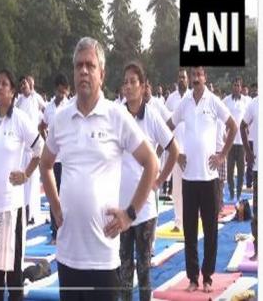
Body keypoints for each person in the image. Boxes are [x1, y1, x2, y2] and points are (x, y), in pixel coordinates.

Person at [39, 37, 158, 301]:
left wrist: (129, 215)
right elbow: (45, 164)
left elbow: (152, 163)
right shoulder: (61, 119)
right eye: (79, 65)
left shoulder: (116, 116)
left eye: (90, 66)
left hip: (102, 256)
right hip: (68, 254)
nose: (83, 71)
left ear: (101, 74)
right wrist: (55, 206)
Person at [0, 69, 43, 301]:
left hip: (11, 206)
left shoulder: (20, 119)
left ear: (13, 91)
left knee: (13, 271)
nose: (0, 87)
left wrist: (25, 174)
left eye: (5, 84)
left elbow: (39, 149)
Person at [167, 66, 237, 293]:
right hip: (189, 178)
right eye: (193, 75)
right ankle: (192, 279)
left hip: (209, 178)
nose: (196, 79)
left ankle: (207, 277)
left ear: (205, 77)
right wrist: (176, 155)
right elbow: (168, 127)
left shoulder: (214, 101)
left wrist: (223, 155)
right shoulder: (185, 102)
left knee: (211, 231)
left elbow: (233, 126)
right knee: (189, 230)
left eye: (199, 75)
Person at [120, 62, 179, 301]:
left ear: (144, 87)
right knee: (123, 269)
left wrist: (160, 180)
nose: (129, 86)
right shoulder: (117, 114)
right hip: (121, 205)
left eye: (134, 81)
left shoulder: (152, 117)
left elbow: (173, 150)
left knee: (143, 269)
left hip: (144, 209)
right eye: (125, 81)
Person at [38, 73, 69, 244]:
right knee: (53, 195)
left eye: (63, 92)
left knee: (65, 195)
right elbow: (41, 126)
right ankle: (55, 232)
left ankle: (66, 231)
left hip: (66, 159)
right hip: (52, 160)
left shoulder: (69, 106)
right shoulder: (49, 108)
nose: (60, 94)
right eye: (58, 91)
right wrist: (46, 141)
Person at [16, 75, 46, 224]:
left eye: (25, 84)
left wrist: (42, 127)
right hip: (23, 148)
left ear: (30, 85)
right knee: (23, 180)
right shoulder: (19, 101)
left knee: (33, 182)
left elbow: (46, 110)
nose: (23, 86)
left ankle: (32, 213)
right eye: (21, 84)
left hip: (34, 148)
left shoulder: (36, 98)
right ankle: (24, 211)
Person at [165, 68, 189, 232]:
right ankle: (178, 222)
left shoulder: (192, 97)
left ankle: (190, 219)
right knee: (176, 189)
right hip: (175, 150)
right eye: (179, 77)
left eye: (184, 77)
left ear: (187, 80)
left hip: (190, 151)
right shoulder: (171, 99)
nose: (182, 80)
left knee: (191, 188)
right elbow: (166, 124)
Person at [223, 77, 248, 200]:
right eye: (234, 85)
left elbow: (250, 118)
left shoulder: (246, 101)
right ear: (232, 87)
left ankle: (238, 193)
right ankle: (232, 193)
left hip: (242, 142)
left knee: (241, 170)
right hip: (230, 141)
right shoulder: (226, 101)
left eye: (238, 85)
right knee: (230, 170)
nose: (236, 87)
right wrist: (223, 132)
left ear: (241, 87)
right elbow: (220, 118)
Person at [240, 95, 258, 260]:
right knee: (257, 212)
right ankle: (257, 249)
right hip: (258, 168)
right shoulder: (254, 104)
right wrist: (248, 151)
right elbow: (242, 126)